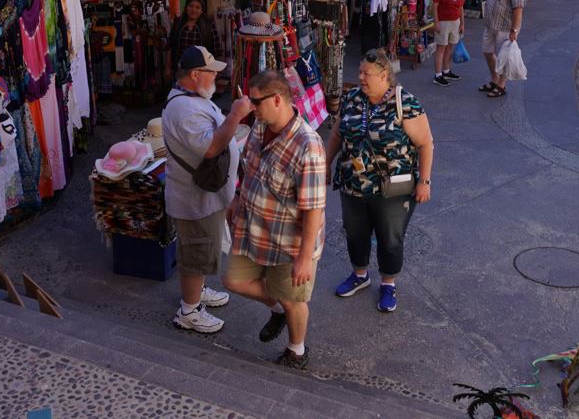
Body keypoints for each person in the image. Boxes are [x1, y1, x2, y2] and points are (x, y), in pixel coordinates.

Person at [223, 71, 325, 369]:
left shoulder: (309, 146)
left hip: (288, 241)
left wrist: (304, 257)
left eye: (255, 101)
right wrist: (237, 197)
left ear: (277, 100)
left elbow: (313, 208)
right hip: (253, 227)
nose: (250, 106)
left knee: (295, 300)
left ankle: (297, 351)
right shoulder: (259, 124)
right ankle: (278, 307)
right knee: (233, 280)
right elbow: (249, 167)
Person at [324, 48, 434, 313]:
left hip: (392, 189)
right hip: (353, 183)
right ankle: (360, 275)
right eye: (360, 71)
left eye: (367, 73)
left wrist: (425, 181)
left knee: (390, 237)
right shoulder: (351, 98)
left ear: (384, 75)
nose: (361, 77)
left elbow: (425, 143)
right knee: (355, 232)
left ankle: (388, 283)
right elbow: (338, 135)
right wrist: (327, 164)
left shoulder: (404, 102)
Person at [162, 46, 255, 333]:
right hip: (194, 199)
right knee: (196, 252)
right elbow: (212, 147)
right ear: (194, 74)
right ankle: (189, 311)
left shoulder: (192, 98)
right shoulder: (183, 109)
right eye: (211, 71)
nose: (217, 76)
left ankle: (197, 291)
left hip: (204, 195)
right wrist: (236, 115)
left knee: (202, 248)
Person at [480, 0, 524, 99]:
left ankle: (501, 85)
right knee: (487, 52)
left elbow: (518, 8)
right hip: (491, 24)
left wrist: (514, 30)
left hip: (505, 27)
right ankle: (495, 79)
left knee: (504, 57)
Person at [165, 0, 219, 81]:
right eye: (191, 6)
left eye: (198, 7)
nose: (193, 10)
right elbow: (169, 46)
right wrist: (167, 67)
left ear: (202, 11)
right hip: (180, 69)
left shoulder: (208, 26)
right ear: (186, 7)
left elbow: (216, 50)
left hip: (201, 71)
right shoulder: (178, 23)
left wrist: (214, 72)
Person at [431, 0, 465, 86]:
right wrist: (436, 22)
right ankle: (438, 74)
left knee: (450, 48)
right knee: (441, 48)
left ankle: (446, 70)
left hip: (455, 21)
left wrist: (462, 23)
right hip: (443, 22)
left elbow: (461, 7)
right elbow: (434, 5)